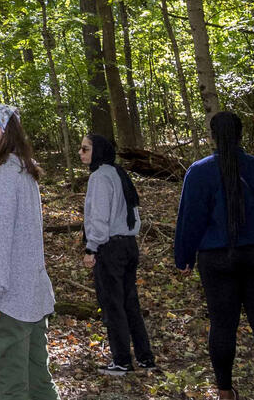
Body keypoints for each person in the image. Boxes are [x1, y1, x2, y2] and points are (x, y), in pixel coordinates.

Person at [173, 112, 254, 400]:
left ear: (211, 136)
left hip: (217, 257)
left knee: (222, 324)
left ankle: (225, 392)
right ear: (241, 135)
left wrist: (184, 257)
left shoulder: (199, 172)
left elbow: (190, 218)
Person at [0, 103, 57, 399]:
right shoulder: (21, 169)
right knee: (38, 381)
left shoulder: (5, 176)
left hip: (7, 301)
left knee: (12, 387)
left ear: (0, 132)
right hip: (30, 295)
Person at [79, 134, 156, 376]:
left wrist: (92, 247)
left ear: (99, 150)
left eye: (85, 149)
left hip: (110, 247)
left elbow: (99, 216)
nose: (81, 153)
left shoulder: (100, 176)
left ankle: (122, 360)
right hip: (128, 245)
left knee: (113, 305)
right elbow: (133, 210)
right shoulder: (118, 173)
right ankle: (145, 358)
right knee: (129, 303)